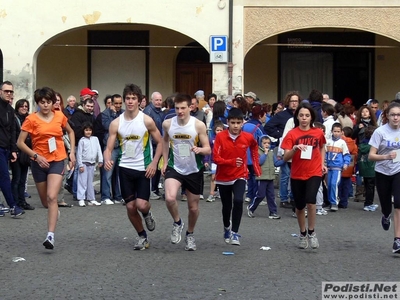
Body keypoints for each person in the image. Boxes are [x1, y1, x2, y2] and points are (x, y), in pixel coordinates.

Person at [104, 84, 162, 250]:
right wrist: (107, 159)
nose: (130, 101)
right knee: (130, 206)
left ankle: (147, 213)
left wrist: (154, 162)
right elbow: (108, 148)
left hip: (144, 168)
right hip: (125, 168)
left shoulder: (146, 120)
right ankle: (142, 236)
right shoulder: (116, 123)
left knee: (141, 205)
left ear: (139, 100)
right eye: (127, 98)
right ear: (124, 100)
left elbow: (160, 143)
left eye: (133, 98)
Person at [17, 86, 76, 249]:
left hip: (57, 160)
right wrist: (35, 156)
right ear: (38, 103)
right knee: (45, 202)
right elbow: (20, 143)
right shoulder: (31, 119)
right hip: (38, 162)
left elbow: (70, 132)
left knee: (52, 197)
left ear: (52, 103)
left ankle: (50, 236)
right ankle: (53, 210)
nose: (45, 105)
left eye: (48, 102)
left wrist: (72, 152)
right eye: (42, 102)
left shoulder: (59, 116)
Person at [161, 93, 211, 251]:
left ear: (190, 107)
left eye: (183, 108)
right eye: (177, 108)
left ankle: (190, 234)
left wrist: (200, 149)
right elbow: (165, 140)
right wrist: (164, 160)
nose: (180, 111)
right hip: (174, 167)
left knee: (193, 208)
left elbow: (208, 148)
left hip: (194, 169)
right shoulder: (168, 124)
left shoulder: (198, 125)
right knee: (169, 198)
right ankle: (177, 222)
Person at [281, 102, 327, 249]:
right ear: (297, 117)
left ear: (311, 117)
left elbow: (322, 147)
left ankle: (312, 232)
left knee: (311, 201)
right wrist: (294, 149)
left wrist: (322, 164)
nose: (304, 118)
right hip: (297, 173)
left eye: (307, 115)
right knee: (299, 206)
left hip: (314, 172)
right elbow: (285, 157)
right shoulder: (292, 134)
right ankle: (302, 233)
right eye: (301, 115)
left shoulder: (318, 133)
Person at [213, 108, 260, 245]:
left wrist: (255, 166)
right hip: (223, 177)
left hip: (240, 174)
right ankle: (227, 227)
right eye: (233, 122)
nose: (235, 126)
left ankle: (234, 233)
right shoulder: (221, 137)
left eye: (238, 123)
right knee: (226, 206)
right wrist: (231, 162)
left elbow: (255, 147)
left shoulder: (247, 137)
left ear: (242, 123)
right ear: (227, 123)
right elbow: (215, 158)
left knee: (239, 200)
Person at [368, 102, 400, 253]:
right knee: (386, 205)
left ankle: (397, 241)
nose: (396, 118)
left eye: (398, 115)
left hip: (398, 171)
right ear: (387, 116)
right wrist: (386, 156)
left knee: (399, 204)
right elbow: (371, 156)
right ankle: (385, 215)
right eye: (393, 115)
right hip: (382, 172)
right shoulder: (380, 132)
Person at [0, 81, 25, 217]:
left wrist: (13, 150)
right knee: (4, 177)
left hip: (6, 148)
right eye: (6, 91)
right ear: (0, 92)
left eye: (11, 91)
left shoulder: (10, 110)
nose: (9, 93)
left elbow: (13, 132)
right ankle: (13, 206)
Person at [247, 135, 284, 219]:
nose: (267, 145)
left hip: (270, 177)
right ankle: (251, 208)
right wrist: (265, 154)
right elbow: (259, 162)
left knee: (271, 196)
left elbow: (276, 163)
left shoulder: (271, 153)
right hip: (261, 177)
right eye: (264, 143)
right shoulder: (257, 152)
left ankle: (273, 212)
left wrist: (284, 160)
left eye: (268, 143)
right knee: (260, 195)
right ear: (260, 144)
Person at [100, 94, 124, 205]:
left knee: (118, 174)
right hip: (111, 147)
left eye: (120, 103)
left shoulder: (124, 113)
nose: (118, 105)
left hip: (122, 146)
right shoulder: (105, 114)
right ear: (111, 103)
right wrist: (114, 115)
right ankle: (105, 196)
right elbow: (108, 127)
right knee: (108, 172)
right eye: (116, 103)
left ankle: (118, 196)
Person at [11, 99, 34, 210]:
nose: (24, 108)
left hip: (26, 152)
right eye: (22, 106)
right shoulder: (14, 118)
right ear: (17, 107)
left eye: (26, 106)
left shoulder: (29, 119)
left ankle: (22, 202)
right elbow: (13, 136)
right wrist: (13, 150)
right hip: (16, 151)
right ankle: (14, 202)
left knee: (23, 179)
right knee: (17, 178)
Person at [143, 92, 164, 200]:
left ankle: (155, 189)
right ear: (152, 100)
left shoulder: (160, 111)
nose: (159, 102)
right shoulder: (148, 111)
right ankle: (150, 190)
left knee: (158, 168)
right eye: (156, 100)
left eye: (160, 100)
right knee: (152, 166)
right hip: (151, 143)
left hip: (159, 143)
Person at [325, 123, 351, 211]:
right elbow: (324, 153)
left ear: (341, 132)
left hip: (337, 167)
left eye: (338, 131)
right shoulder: (327, 142)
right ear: (332, 131)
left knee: (334, 184)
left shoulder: (342, 143)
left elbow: (347, 154)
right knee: (328, 185)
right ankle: (330, 201)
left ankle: (334, 202)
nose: (336, 133)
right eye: (334, 131)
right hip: (328, 167)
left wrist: (346, 163)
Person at [76, 122, 103, 207]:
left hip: (92, 163)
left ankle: (91, 199)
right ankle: (81, 199)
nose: (88, 132)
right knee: (82, 182)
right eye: (86, 130)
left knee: (90, 182)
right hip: (83, 163)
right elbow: (79, 153)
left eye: (90, 130)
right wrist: (80, 165)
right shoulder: (82, 141)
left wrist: (100, 160)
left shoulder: (95, 139)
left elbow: (99, 149)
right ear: (83, 131)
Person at [358, 125, 378, 212]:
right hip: (371, 168)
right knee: (370, 186)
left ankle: (368, 202)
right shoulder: (373, 145)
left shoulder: (362, 143)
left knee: (367, 185)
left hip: (363, 167)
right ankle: (368, 203)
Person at [338, 126, 358, 209]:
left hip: (340, 166)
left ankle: (338, 200)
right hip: (350, 167)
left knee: (339, 185)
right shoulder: (354, 144)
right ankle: (344, 202)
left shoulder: (341, 142)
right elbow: (355, 156)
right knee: (346, 186)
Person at [205, 121, 224, 202]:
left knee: (222, 177)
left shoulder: (226, 139)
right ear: (214, 131)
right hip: (214, 161)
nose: (219, 132)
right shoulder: (212, 139)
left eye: (221, 130)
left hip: (223, 161)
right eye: (217, 130)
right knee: (213, 177)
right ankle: (211, 194)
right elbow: (208, 150)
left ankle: (220, 192)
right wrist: (206, 160)